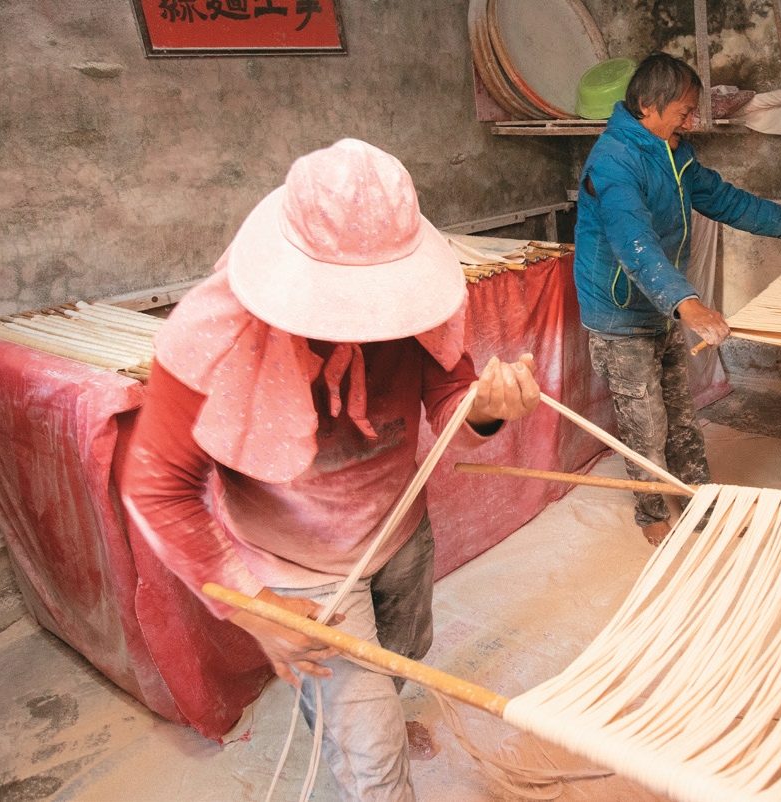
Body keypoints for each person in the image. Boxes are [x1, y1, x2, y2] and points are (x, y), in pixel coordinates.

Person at [121, 138, 540, 802]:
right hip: (300, 568)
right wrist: (256, 606)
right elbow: (156, 486)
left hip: (400, 530)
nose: (369, 316)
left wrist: (485, 407)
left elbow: (450, 396)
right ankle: (365, 744)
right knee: (374, 765)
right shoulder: (213, 336)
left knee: (399, 660)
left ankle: (368, 720)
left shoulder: (419, 305)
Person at [574, 53, 781, 546]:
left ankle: (699, 497)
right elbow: (633, 241)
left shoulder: (675, 154)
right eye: (685, 111)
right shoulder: (614, 161)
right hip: (619, 311)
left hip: (662, 303)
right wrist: (688, 304)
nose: (692, 122)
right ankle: (650, 510)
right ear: (647, 105)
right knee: (645, 420)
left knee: (679, 412)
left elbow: (725, 199)